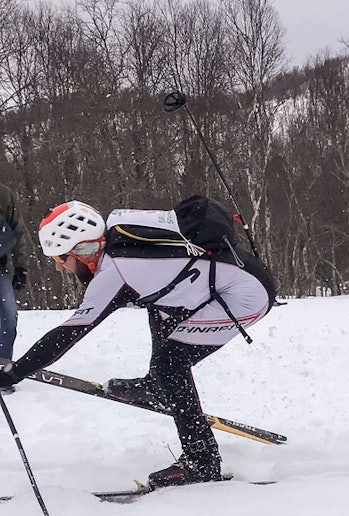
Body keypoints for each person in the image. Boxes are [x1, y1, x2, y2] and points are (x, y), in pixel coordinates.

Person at [0, 200, 276, 487]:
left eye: (61, 258)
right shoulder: (118, 225)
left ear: (82, 249)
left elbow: (68, 333)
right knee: (156, 306)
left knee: (172, 364)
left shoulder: (115, 271)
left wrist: (16, 371)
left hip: (245, 296)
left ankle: (202, 461)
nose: (60, 268)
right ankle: (157, 386)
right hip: (233, 278)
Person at [0, 182, 31, 394]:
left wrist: (21, 267)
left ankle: (3, 369)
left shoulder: (4, 194)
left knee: (8, 318)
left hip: (1, 268)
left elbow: (18, 232)